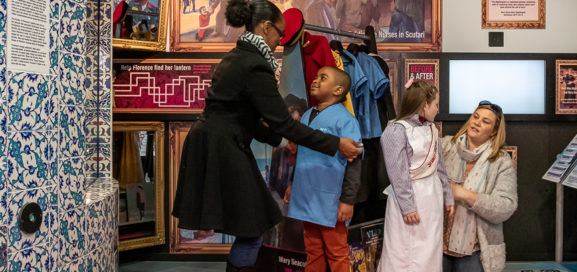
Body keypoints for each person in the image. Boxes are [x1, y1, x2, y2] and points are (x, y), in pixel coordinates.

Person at [171, 1, 363, 271]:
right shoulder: (255, 65)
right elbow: (283, 123)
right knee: (253, 227)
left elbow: (246, 117)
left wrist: (281, 140)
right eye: (279, 34)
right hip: (223, 148)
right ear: (266, 27)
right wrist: (335, 144)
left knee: (252, 226)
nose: (280, 41)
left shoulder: (237, 57)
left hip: (215, 143)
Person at [284, 66, 362, 272]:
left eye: (323, 77)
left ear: (338, 90)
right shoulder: (308, 114)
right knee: (313, 251)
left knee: (337, 254)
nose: (316, 80)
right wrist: (293, 183)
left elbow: (355, 164)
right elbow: (300, 155)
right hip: (307, 198)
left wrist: (347, 200)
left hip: (331, 202)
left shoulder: (346, 120)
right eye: (316, 76)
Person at [377, 81, 454, 272]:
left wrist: (448, 196)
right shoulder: (396, 130)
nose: (437, 109)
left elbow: (440, 167)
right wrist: (407, 205)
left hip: (432, 197)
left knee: (430, 248)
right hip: (410, 196)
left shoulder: (432, 129)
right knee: (404, 250)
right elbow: (397, 172)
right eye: (435, 104)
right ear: (424, 105)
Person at [441, 100, 517, 272]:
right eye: (476, 117)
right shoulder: (446, 146)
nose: (477, 122)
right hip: (437, 246)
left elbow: (506, 206)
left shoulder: (500, 160)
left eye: (485, 121)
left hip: (475, 253)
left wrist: (464, 194)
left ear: (494, 131)